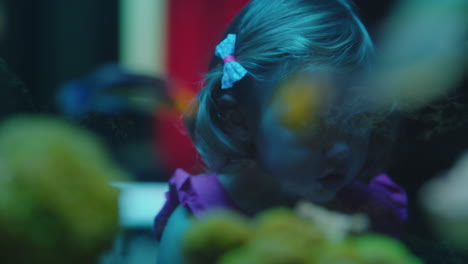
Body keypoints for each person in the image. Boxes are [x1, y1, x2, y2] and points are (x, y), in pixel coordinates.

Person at [155, 0, 407, 262]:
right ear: (238, 121)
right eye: (313, 123)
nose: (342, 150)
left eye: (358, 119)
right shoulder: (200, 227)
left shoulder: (368, 212)